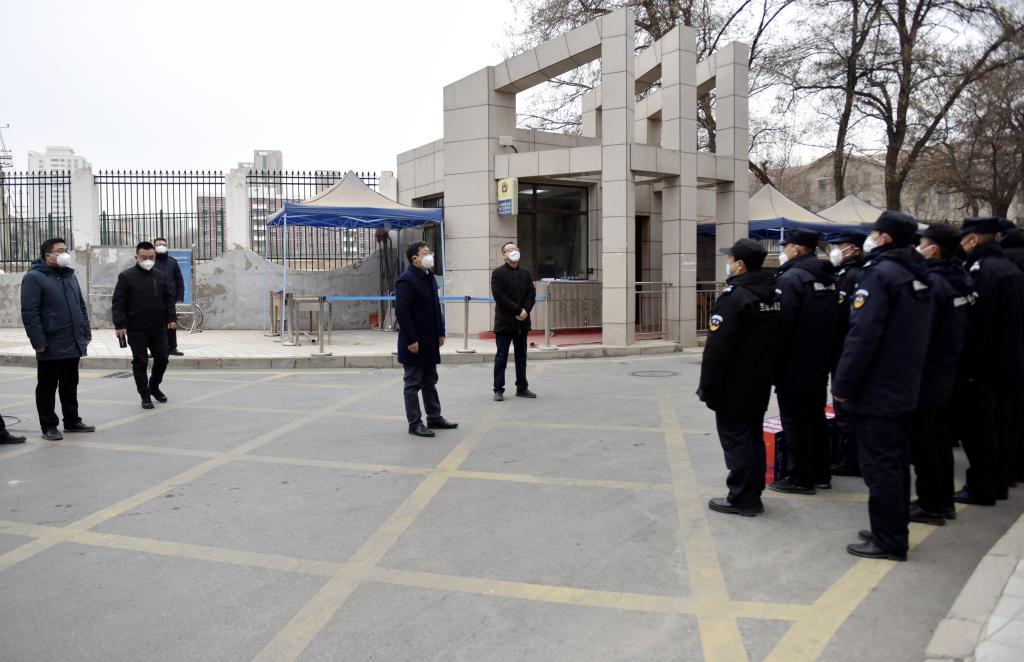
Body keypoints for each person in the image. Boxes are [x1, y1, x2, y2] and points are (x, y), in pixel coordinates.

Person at [833, 211, 933, 561]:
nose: (870, 240)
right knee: (895, 461)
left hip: (877, 387)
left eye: (874, 234)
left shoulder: (880, 275)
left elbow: (862, 335)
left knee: (880, 466)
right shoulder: (916, 273)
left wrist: (843, 384)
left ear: (885, 238)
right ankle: (892, 527)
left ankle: (888, 539)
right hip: (904, 383)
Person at [698, 239, 781, 517]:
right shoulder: (771, 294)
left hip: (734, 384)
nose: (728, 264)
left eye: (731, 259)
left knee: (737, 440)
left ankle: (742, 498)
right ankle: (753, 493)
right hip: (759, 381)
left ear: (741, 265)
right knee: (752, 437)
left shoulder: (735, 298)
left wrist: (708, 386)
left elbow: (717, 349)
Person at [955, 216, 1024, 504]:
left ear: (973, 240)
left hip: (985, 364)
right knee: (1004, 424)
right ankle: (1000, 479)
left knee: (978, 427)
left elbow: (978, 322)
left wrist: (968, 364)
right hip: (1010, 358)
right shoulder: (1009, 268)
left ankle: (983, 486)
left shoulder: (981, 270)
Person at [910, 223, 973, 525]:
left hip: (930, 372)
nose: (918, 248)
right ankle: (943, 500)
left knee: (926, 441)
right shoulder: (957, 278)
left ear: (933, 249)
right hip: (947, 370)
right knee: (939, 437)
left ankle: (931, 504)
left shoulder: (934, 283)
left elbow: (923, 332)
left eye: (922, 243)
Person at [769, 227, 837, 495]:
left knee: (795, 420)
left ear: (796, 249)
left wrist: (773, 362)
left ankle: (801, 477)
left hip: (794, 362)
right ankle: (821, 472)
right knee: (815, 417)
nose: (784, 251)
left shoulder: (792, 279)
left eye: (786, 246)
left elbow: (782, 325)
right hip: (819, 360)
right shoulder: (825, 276)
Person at [21, 238, 95, 440]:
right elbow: (30, 312)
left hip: (72, 340)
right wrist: (38, 341)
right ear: (48, 255)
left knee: (70, 384)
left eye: (66, 250)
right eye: (60, 250)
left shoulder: (69, 276)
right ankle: (48, 426)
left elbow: (80, 306)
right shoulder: (34, 277)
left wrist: (85, 332)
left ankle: (72, 420)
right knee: (47, 387)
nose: (65, 254)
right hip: (50, 342)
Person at [395, 241, 458, 437]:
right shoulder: (406, 280)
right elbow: (402, 312)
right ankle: (415, 423)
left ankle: (434, 417)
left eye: (429, 251)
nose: (430, 255)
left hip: (430, 340)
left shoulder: (430, 277)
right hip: (414, 342)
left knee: (430, 381)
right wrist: (411, 340)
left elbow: (436, 307)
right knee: (413, 383)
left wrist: (441, 331)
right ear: (415, 258)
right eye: (425, 252)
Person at [112, 241, 177, 410]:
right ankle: (144, 394)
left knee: (163, 358)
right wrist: (119, 324)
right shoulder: (126, 276)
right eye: (144, 257)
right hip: (136, 328)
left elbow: (168, 299)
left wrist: (171, 318)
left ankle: (154, 386)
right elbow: (118, 302)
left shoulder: (160, 275)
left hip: (158, 327)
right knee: (140, 362)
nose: (148, 260)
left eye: (151, 257)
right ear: (137, 257)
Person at [828, 231, 867, 477]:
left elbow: (842, 317)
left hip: (844, 349)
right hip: (844, 349)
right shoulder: (849, 272)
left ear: (853, 249)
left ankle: (850, 460)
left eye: (839, 245)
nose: (835, 250)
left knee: (846, 409)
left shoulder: (852, 275)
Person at [491, 241, 537, 401]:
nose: (513, 251)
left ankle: (522, 387)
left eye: (515, 248)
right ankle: (498, 389)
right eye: (509, 250)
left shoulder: (526, 273)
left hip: (522, 322)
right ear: (504, 255)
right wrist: (518, 310)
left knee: (521, 356)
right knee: (501, 356)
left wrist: (526, 310)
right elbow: (499, 296)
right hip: (505, 322)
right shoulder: (498, 273)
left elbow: (531, 293)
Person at [152, 237, 185, 356]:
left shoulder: (172, 262)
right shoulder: (151, 262)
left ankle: (172, 348)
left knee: (171, 323)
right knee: (154, 324)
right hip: (154, 298)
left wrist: (179, 296)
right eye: (158, 244)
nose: (161, 246)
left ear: (167, 246)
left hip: (170, 298)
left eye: (163, 244)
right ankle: (154, 349)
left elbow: (179, 280)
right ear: (154, 247)